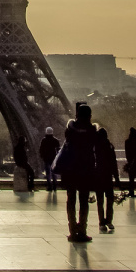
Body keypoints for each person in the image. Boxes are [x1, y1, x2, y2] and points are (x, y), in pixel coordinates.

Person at [55, 103, 99, 242]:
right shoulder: (92, 131)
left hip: (70, 169)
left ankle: (72, 230)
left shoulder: (70, 130)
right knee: (84, 201)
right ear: (89, 116)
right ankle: (82, 230)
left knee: (71, 199)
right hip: (85, 169)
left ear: (77, 115)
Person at [94, 126, 119, 233]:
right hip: (108, 176)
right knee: (109, 200)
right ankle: (109, 220)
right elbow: (114, 162)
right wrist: (117, 177)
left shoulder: (95, 147)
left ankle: (101, 222)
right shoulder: (110, 146)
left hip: (98, 176)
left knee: (100, 201)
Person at [38, 127, 60, 193]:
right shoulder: (55, 140)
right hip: (53, 159)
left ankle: (49, 186)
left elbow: (41, 149)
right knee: (54, 173)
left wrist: (42, 156)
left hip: (46, 159)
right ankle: (55, 186)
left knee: (48, 173)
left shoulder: (44, 140)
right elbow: (58, 150)